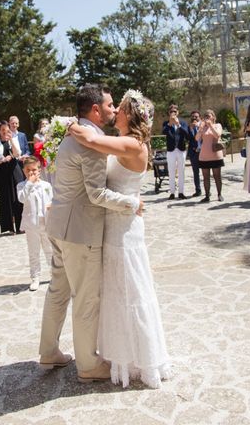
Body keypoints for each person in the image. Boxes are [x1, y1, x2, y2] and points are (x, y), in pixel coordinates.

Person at [38, 84, 143, 385]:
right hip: (80, 232)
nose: (113, 110)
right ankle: (87, 364)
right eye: (110, 105)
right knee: (85, 298)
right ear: (95, 109)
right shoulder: (91, 141)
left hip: (59, 225)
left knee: (57, 292)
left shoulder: (76, 133)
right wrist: (132, 204)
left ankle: (49, 351)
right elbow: (96, 194)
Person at [67, 89, 170, 388]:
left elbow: (93, 140)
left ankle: (141, 358)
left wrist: (67, 124)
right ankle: (124, 353)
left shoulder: (131, 143)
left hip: (123, 229)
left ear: (131, 115)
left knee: (131, 290)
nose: (116, 112)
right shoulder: (127, 142)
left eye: (121, 108)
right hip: (116, 223)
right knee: (117, 290)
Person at [16, 156, 53, 292]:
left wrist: (52, 206)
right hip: (32, 225)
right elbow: (22, 198)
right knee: (34, 252)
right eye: (28, 170)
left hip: (46, 223)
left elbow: (52, 199)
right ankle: (35, 277)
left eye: (34, 170)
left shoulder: (46, 185)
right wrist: (29, 183)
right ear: (24, 171)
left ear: (39, 170)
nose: (31, 172)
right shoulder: (22, 186)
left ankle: (54, 275)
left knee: (50, 251)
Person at [0, 121, 25, 234]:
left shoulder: (13, 139)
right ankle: (8, 227)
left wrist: (10, 140)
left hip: (14, 170)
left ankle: (21, 225)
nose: (5, 132)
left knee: (18, 196)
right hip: (2, 171)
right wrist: (0, 161)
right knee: (6, 198)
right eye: (3, 130)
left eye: (7, 130)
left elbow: (17, 154)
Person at [162, 104, 190, 200]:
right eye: (171, 112)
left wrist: (178, 125)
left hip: (181, 149)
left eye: (175, 111)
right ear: (169, 113)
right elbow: (164, 132)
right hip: (171, 150)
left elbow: (187, 135)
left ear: (178, 112)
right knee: (171, 171)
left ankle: (181, 192)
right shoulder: (166, 123)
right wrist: (170, 123)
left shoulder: (183, 122)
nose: (173, 113)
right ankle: (172, 192)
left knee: (181, 171)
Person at [197, 109, 225, 202]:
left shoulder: (217, 125)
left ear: (213, 117)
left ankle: (219, 194)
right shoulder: (202, 127)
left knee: (217, 176)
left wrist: (210, 126)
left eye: (209, 116)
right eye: (205, 117)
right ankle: (207, 195)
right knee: (206, 177)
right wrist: (200, 129)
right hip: (204, 156)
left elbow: (217, 135)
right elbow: (197, 138)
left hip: (216, 155)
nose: (207, 118)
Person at [187, 110, 203, 197]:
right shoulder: (189, 127)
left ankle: (207, 190)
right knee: (195, 172)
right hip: (193, 152)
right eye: (192, 117)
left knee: (205, 172)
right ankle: (198, 190)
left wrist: (199, 127)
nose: (194, 118)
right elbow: (188, 138)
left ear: (199, 117)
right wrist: (190, 129)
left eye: (196, 117)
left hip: (203, 152)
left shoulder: (203, 125)